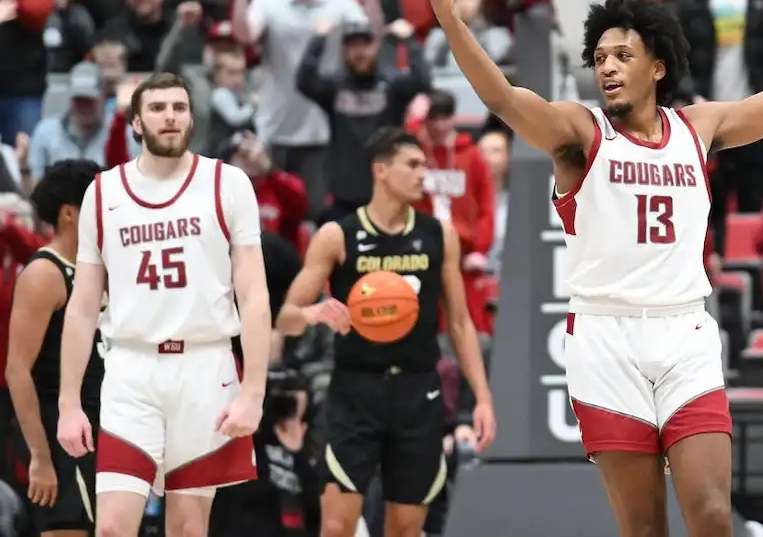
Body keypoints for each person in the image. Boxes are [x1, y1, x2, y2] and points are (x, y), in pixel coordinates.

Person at [419, 0, 763, 536]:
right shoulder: (579, 133)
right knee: (645, 529)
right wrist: (449, 18)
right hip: (604, 338)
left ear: (657, 65)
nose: (609, 69)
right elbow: (505, 98)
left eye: (623, 56)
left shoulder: (697, 127)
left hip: (685, 334)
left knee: (710, 517)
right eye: (599, 59)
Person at [55, 73, 272, 537]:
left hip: (205, 366)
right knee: (112, 527)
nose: (169, 115)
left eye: (178, 106)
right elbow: (82, 306)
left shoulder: (228, 183)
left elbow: (254, 295)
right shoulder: (104, 191)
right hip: (130, 368)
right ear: (136, 122)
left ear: (192, 118)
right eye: (156, 108)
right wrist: (68, 402)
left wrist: (253, 391)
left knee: (188, 529)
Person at [275, 127, 496, 537]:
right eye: (412, 165)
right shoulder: (337, 236)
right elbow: (285, 316)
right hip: (355, 392)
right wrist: (316, 314)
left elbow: (461, 324)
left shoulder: (438, 236)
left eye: (425, 166)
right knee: (337, 527)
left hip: (417, 391)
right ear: (381, 170)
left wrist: (482, 397)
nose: (422, 175)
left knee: (406, 530)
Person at [6, 159, 103, 537]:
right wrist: (41, 458)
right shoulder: (45, 273)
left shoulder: (103, 267)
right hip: (58, 430)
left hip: (105, 425)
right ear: (69, 214)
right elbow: (17, 371)